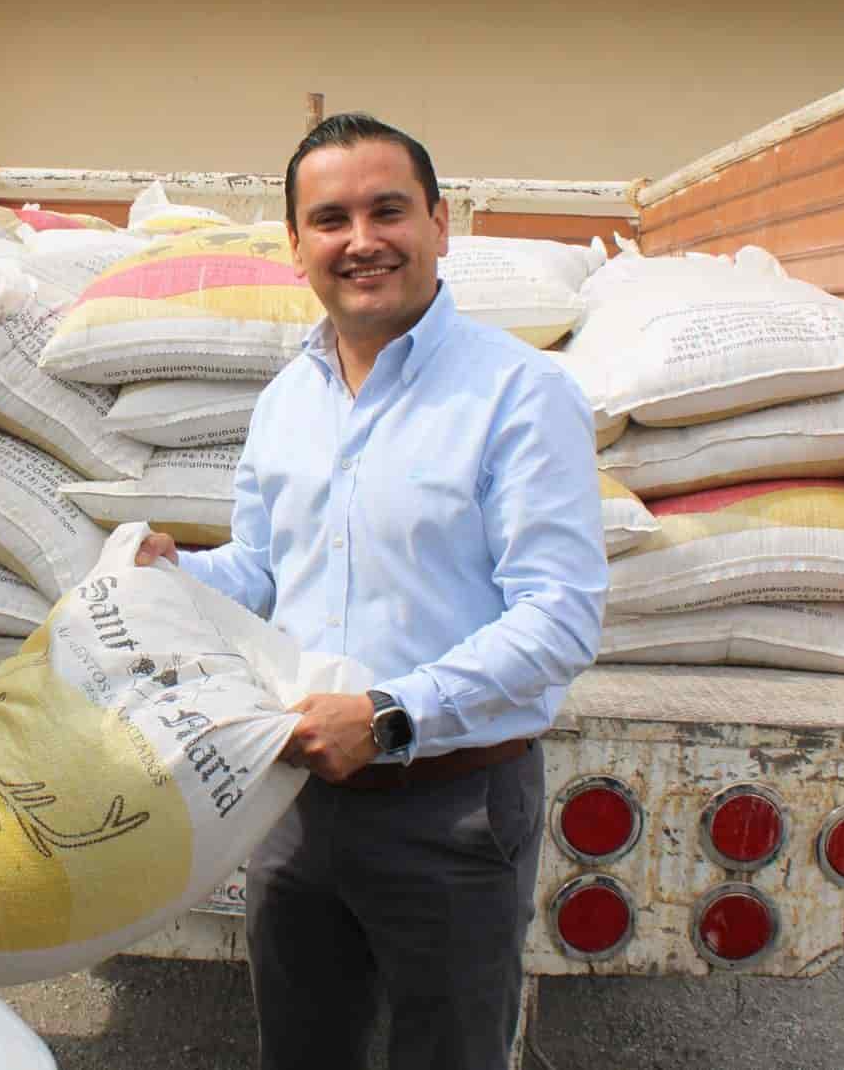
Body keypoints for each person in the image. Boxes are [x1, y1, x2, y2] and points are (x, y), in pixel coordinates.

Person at [135, 115, 607, 1069]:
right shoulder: (287, 401)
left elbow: (558, 617)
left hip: (454, 812)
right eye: (331, 218)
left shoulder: (519, 392)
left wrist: (390, 715)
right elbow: (266, 573)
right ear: (296, 245)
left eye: (388, 210)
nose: (362, 241)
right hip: (297, 802)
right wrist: (170, 576)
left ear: (439, 223)